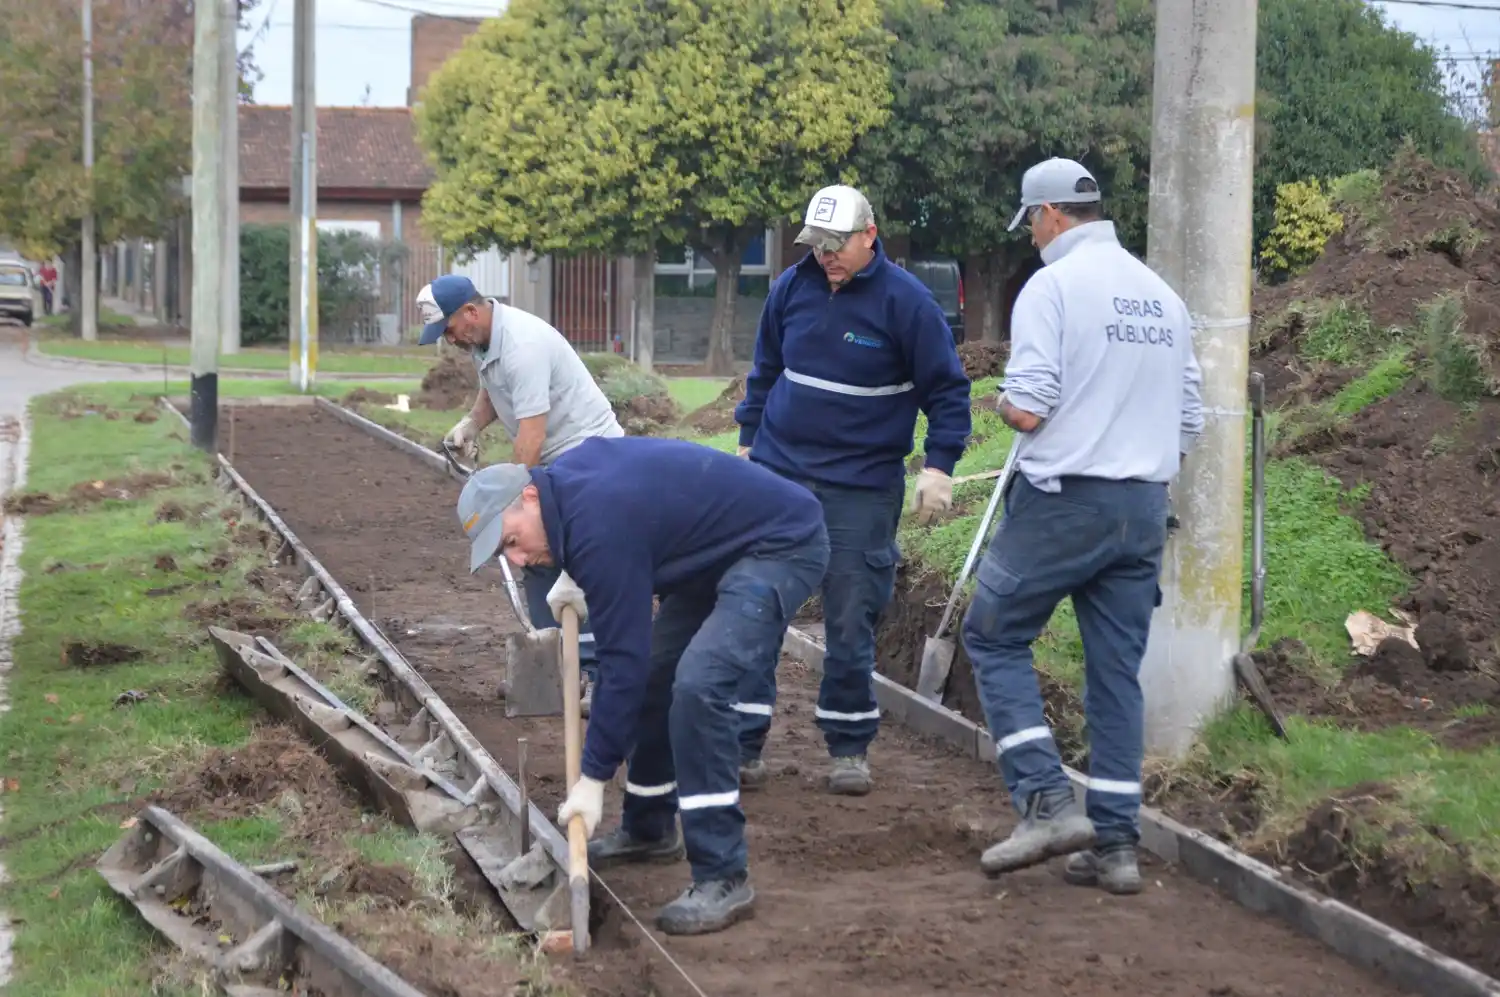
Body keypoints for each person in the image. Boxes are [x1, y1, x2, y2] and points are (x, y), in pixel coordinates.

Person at [453, 436, 829, 935]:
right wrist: (572, 570)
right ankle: (649, 828)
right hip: (712, 554)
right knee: (656, 678)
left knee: (699, 686)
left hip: (780, 544)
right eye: (507, 553)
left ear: (528, 497)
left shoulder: (599, 526)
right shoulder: (567, 489)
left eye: (512, 541)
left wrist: (592, 778)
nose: (518, 561)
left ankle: (723, 874)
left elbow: (620, 662)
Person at [960, 158, 1204, 895]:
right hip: (1142, 508)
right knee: (1114, 675)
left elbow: (1031, 408)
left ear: (1050, 215)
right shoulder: (1163, 296)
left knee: (993, 634)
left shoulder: (1053, 287)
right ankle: (1117, 846)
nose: (1032, 238)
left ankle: (1045, 800)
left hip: (1064, 502)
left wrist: (999, 402)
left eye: (1031, 224)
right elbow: (1190, 417)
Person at [732, 184, 971, 797]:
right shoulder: (791, 288)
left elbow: (947, 391)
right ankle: (742, 743)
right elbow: (765, 372)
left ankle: (847, 747)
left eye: (837, 244)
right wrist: (747, 444)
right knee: (756, 605)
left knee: (848, 616)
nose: (826, 255)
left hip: (860, 486)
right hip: (779, 475)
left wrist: (939, 466)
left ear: (870, 235)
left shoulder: (907, 303)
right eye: (817, 244)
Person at [417, 274, 623, 708]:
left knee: (582, 560)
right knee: (536, 557)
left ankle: (598, 674)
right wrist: (471, 424)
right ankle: (555, 666)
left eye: (448, 329)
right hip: (557, 457)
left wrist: (511, 502)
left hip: (589, 456)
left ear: (470, 312)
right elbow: (494, 391)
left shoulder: (522, 346)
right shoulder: (483, 342)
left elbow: (531, 436)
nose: (449, 340)